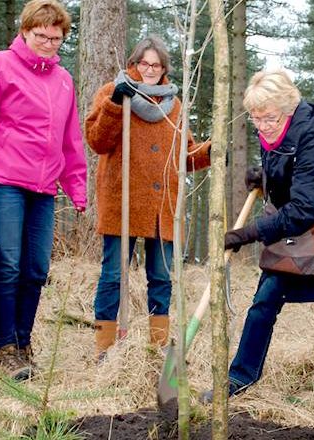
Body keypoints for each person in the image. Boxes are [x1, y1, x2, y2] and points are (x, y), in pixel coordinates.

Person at [204, 70, 314, 422]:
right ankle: (240, 377)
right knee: (264, 301)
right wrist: (264, 178)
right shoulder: (274, 133)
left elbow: (303, 206)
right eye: (255, 117)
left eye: (270, 118)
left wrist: (247, 234)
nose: (262, 125)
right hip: (299, 235)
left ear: (288, 110)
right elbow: (289, 177)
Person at [0, 0, 87, 381]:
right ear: (25, 32)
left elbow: (70, 140)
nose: (48, 43)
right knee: (7, 265)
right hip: (1, 183)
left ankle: (24, 341)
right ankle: (4, 346)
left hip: (43, 188)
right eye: (40, 35)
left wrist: (76, 187)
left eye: (55, 38)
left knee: (36, 268)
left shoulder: (63, 81)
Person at [85, 36, 211, 359]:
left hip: (161, 206)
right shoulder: (114, 91)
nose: (150, 70)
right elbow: (97, 141)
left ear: (164, 68)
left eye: (156, 65)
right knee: (114, 275)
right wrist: (115, 102)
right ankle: (104, 349)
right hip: (122, 202)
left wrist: (212, 150)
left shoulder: (174, 105)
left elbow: (186, 154)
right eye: (144, 63)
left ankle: (157, 348)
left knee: (161, 276)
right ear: (134, 63)